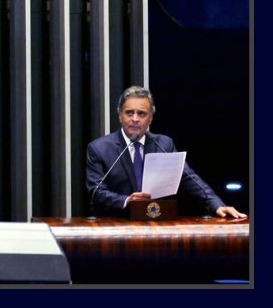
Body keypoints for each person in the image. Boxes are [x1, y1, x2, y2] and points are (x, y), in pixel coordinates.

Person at [85, 85, 246, 218]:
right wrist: (127, 200)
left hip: (157, 223)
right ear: (120, 116)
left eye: (141, 114)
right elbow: (96, 190)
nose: (135, 118)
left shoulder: (164, 144)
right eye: (129, 112)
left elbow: (189, 178)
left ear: (150, 119)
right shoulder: (99, 148)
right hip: (115, 226)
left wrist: (217, 205)